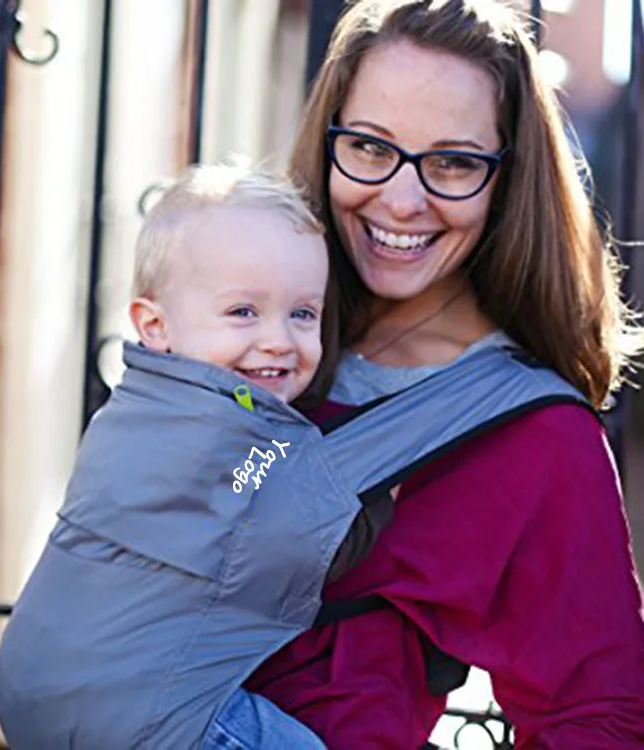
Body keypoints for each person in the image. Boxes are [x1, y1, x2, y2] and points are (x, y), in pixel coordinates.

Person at [245, 1, 644, 748]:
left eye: (453, 162)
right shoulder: (247, 336)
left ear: (507, 178)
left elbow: (594, 717)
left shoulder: (536, 436)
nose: (400, 199)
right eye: (368, 147)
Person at [0, 164, 397, 750]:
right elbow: (284, 534)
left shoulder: (135, 411)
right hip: (139, 710)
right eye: (243, 312)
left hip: (35, 683)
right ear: (154, 326)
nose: (279, 340)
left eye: (303, 313)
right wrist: (382, 492)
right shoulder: (231, 436)